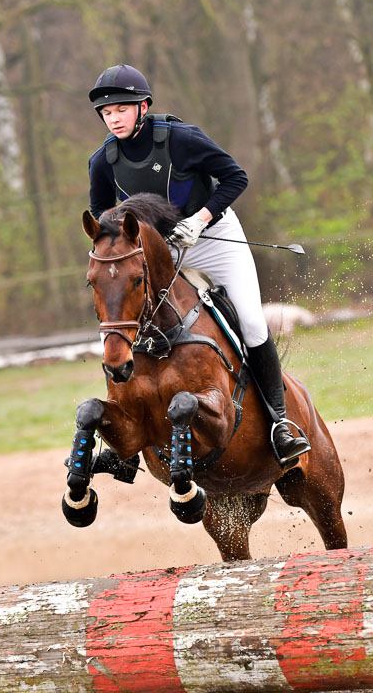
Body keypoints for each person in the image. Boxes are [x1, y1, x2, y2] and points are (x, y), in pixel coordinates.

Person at [88, 63, 310, 465]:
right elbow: (102, 217)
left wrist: (199, 220)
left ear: (144, 106)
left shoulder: (181, 139)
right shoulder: (102, 162)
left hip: (214, 238)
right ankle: (126, 441)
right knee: (130, 330)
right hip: (157, 253)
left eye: (121, 108)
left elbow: (235, 177)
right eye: (106, 113)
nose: (113, 118)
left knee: (252, 321)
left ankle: (280, 424)